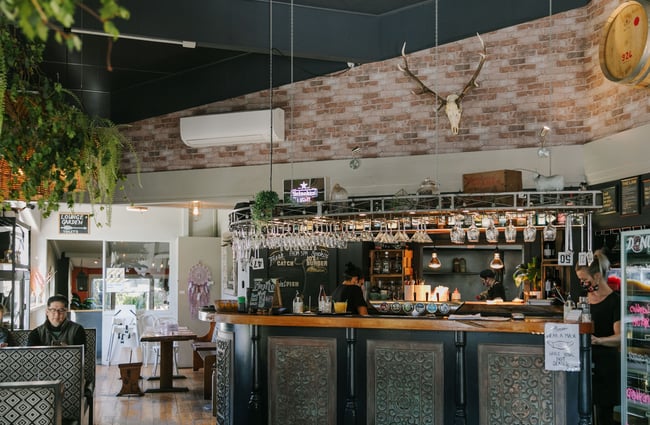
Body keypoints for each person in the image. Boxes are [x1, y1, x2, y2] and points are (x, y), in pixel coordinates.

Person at [575, 249, 620, 425]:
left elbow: (620, 337)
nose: (583, 284)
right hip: (586, 364)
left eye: (585, 280)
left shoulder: (614, 301)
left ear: (597, 277)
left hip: (606, 365)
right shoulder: (584, 300)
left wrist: (598, 340)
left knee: (603, 417)